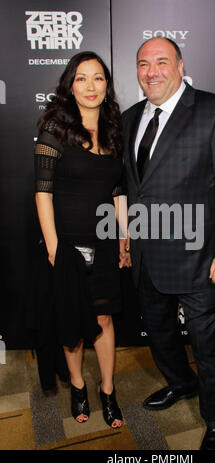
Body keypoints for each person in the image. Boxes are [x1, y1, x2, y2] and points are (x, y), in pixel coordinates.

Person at [121, 37, 215, 450]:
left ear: (181, 65)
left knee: (209, 346)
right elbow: (134, 187)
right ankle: (181, 383)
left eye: (162, 62)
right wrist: (127, 235)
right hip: (148, 255)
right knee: (160, 336)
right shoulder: (129, 119)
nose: (152, 71)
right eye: (143, 64)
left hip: (201, 260)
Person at [34, 51, 130, 427]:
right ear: (70, 85)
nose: (91, 86)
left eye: (98, 78)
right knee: (71, 322)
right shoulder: (54, 129)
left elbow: (118, 190)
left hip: (105, 240)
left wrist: (125, 237)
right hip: (66, 243)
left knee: (104, 318)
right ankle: (77, 386)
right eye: (81, 78)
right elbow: (42, 192)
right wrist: (55, 249)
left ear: (107, 86)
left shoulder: (113, 130)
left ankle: (108, 390)